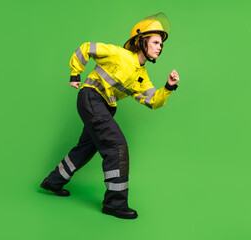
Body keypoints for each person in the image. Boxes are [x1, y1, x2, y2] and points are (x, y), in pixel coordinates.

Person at [40, 12, 180, 219]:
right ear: (141, 41)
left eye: (161, 43)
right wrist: (75, 72)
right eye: (156, 42)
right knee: (116, 146)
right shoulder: (119, 54)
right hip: (91, 98)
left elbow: (152, 101)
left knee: (86, 148)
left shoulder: (142, 76)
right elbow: (87, 47)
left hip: (104, 107)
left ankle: (53, 181)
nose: (160, 46)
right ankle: (115, 203)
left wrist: (168, 87)